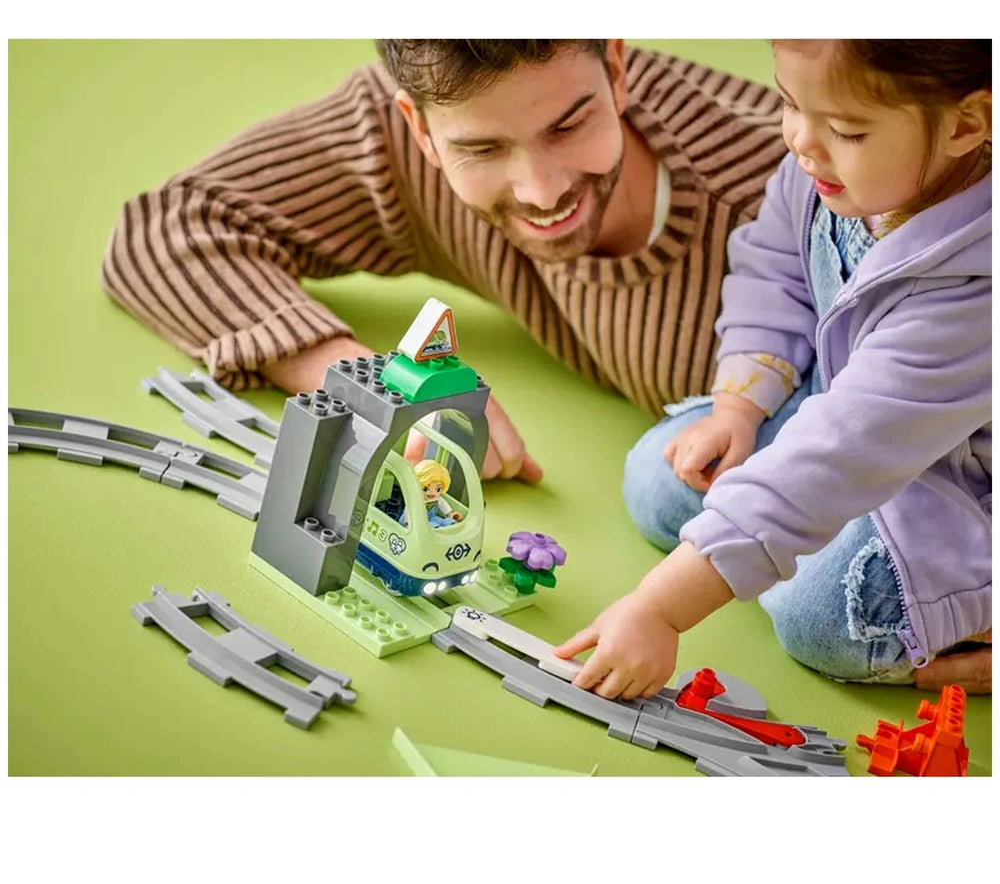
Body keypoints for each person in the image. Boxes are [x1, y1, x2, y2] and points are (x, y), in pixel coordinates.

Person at [100, 39, 788, 482]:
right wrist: (381, 389)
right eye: (483, 150)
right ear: (418, 128)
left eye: (569, 126)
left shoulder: (781, 209)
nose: (542, 192)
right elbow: (163, 232)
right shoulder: (401, 130)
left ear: (615, 68)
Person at [555, 40, 992, 698]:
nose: (802, 142)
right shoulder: (827, 173)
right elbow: (774, 271)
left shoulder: (975, 293)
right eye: (789, 103)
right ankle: (774, 536)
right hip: (847, 428)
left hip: (960, 496)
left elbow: (845, 446)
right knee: (660, 478)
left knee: (817, 617)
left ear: (966, 125)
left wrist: (660, 608)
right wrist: (739, 407)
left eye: (846, 129)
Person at [413, 460, 463, 528]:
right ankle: (437, 531)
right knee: (431, 525)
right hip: (417, 521)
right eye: (425, 489)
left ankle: (451, 526)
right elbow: (408, 513)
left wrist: (451, 514)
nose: (432, 493)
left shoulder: (437, 499)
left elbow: (444, 506)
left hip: (432, 517)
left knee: (441, 521)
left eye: (438, 489)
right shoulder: (416, 500)